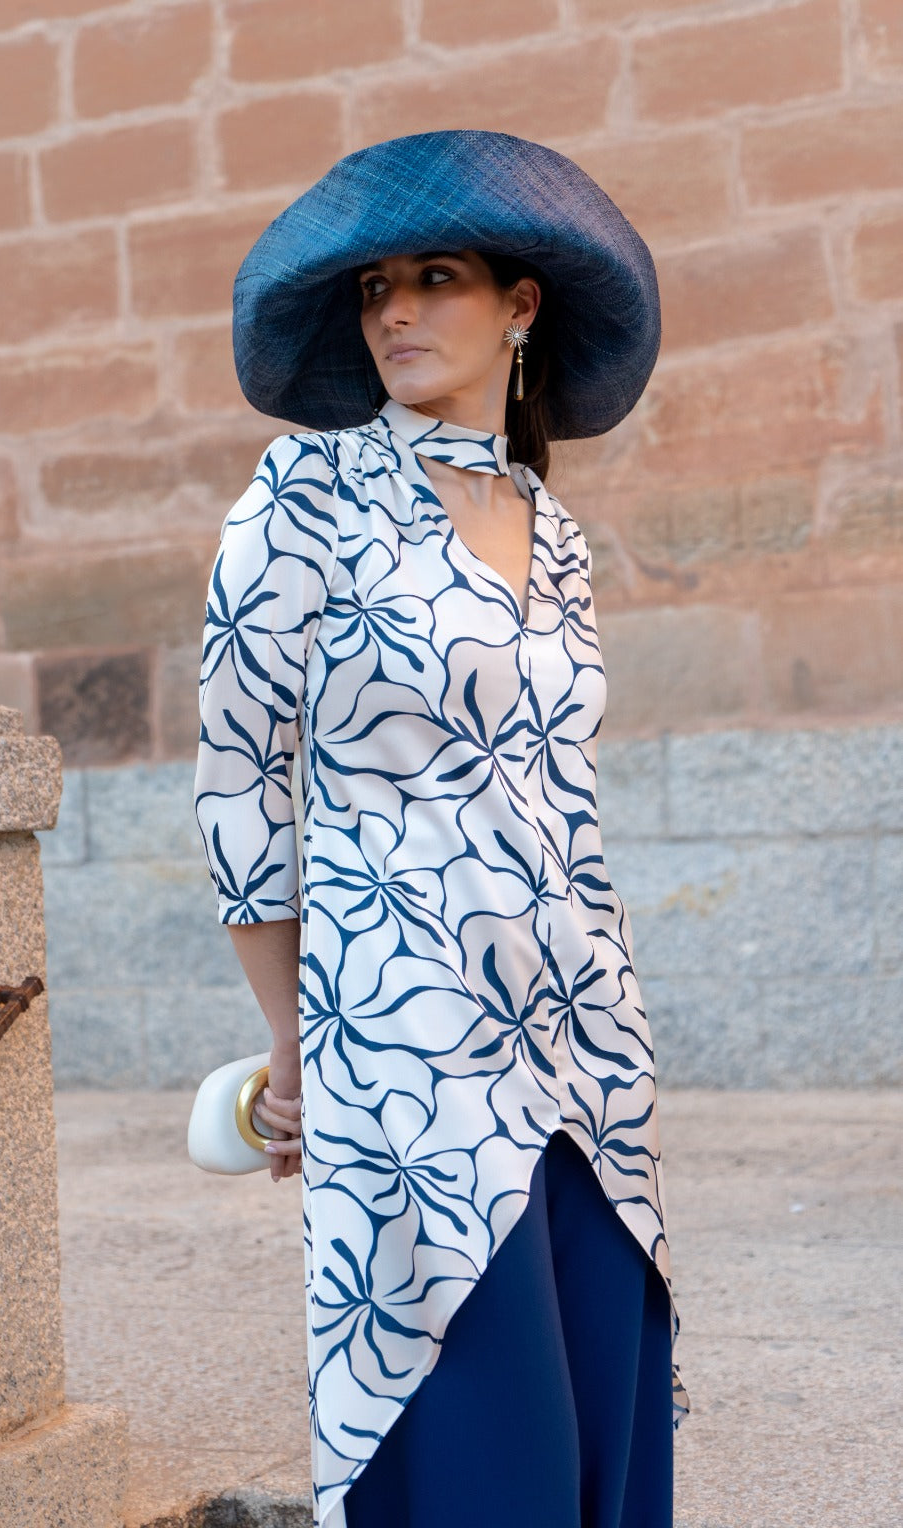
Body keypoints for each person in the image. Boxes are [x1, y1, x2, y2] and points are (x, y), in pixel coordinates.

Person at [193, 130, 689, 1528]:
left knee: (601, 1376)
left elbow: (564, 796)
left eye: (435, 279)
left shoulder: (556, 534)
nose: (396, 313)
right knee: (475, 1406)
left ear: (519, 306)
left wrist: (606, 1010)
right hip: (403, 1021)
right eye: (374, 290)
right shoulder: (303, 495)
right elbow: (239, 783)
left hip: (584, 1022)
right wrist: (296, 1041)